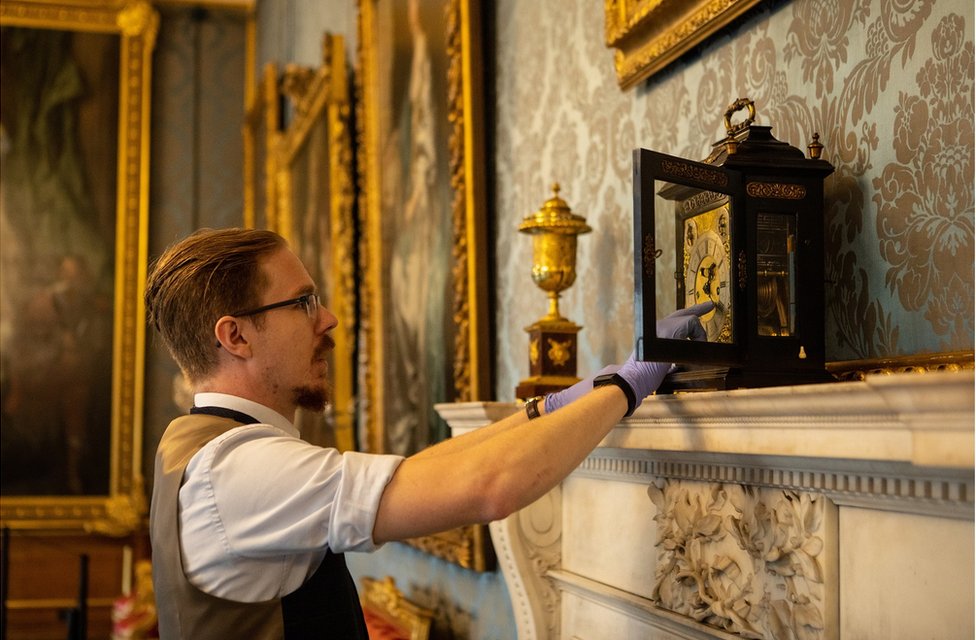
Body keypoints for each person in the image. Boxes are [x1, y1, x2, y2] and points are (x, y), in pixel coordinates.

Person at [145, 227, 712, 639]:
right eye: (303, 302)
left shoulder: (199, 446)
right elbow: (490, 487)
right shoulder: (237, 470)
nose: (328, 319)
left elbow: (426, 470)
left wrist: (557, 404)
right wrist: (629, 383)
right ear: (236, 337)